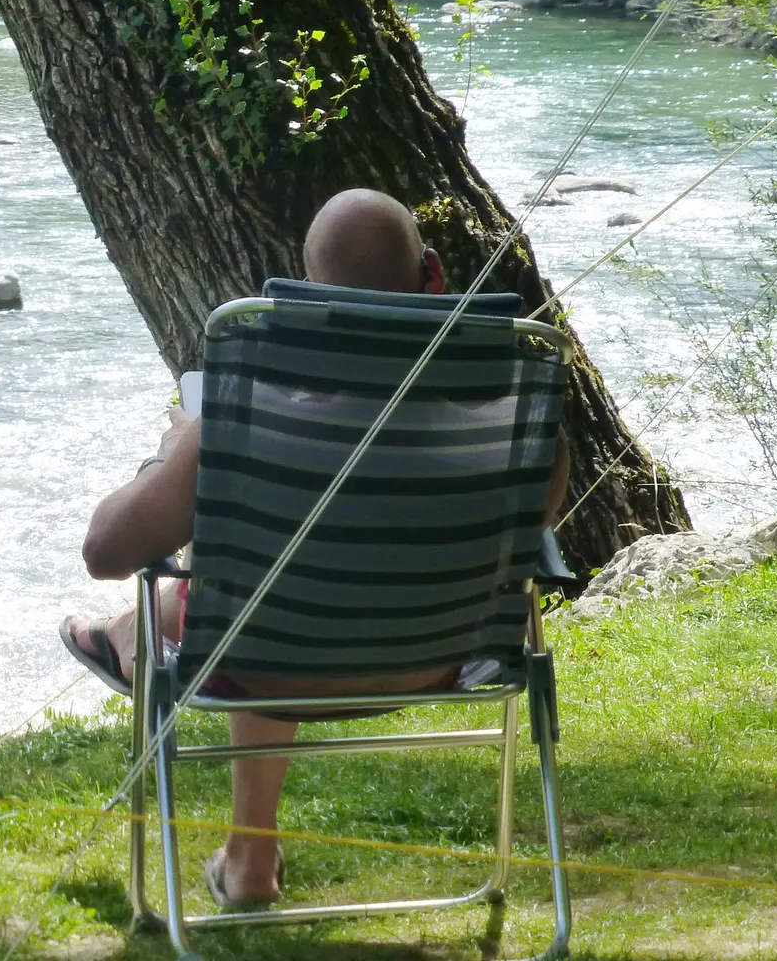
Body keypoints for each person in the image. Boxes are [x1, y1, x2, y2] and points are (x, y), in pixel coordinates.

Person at [61, 188, 568, 908]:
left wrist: (172, 457)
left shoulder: (238, 424)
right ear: (433, 276)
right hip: (441, 662)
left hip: (271, 661)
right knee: (274, 599)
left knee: (253, 607)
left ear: (308, 297)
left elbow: (105, 553)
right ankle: (240, 846)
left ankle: (135, 645)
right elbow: (526, 541)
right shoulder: (517, 423)